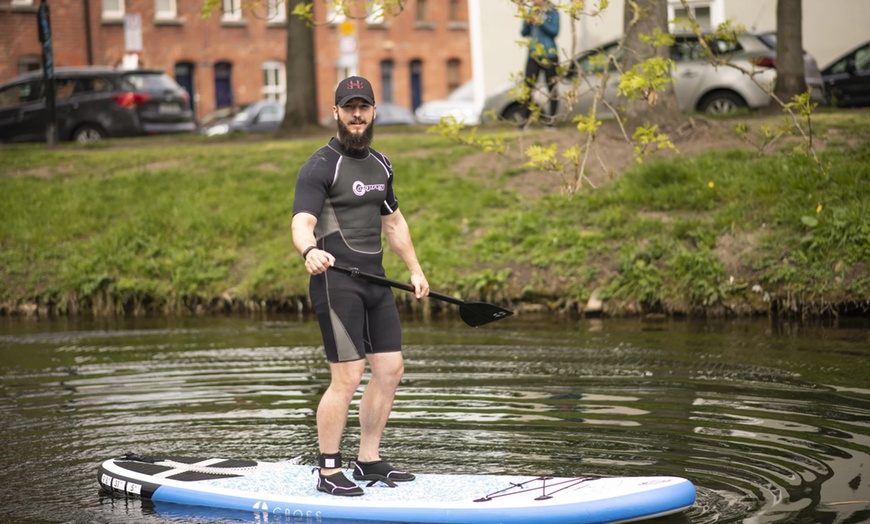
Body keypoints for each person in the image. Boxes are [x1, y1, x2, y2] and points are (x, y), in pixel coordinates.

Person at [291, 76, 430, 497]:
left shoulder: (381, 164)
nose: (356, 115)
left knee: (390, 370)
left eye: (363, 107)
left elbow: (394, 222)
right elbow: (302, 221)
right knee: (347, 377)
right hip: (336, 284)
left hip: (376, 283)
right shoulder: (320, 165)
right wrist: (308, 251)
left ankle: (368, 460)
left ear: (373, 112)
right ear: (335, 112)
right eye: (348, 107)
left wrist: (416, 269)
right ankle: (328, 469)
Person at [520, 0, 560, 125]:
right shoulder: (530, 11)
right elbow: (523, 32)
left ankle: (551, 120)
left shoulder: (553, 12)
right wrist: (527, 22)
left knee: (552, 87)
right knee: (528, 87)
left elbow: (555, 31)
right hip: (533, 55)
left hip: (549, 55)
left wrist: (541, 22)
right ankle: (526, 120)